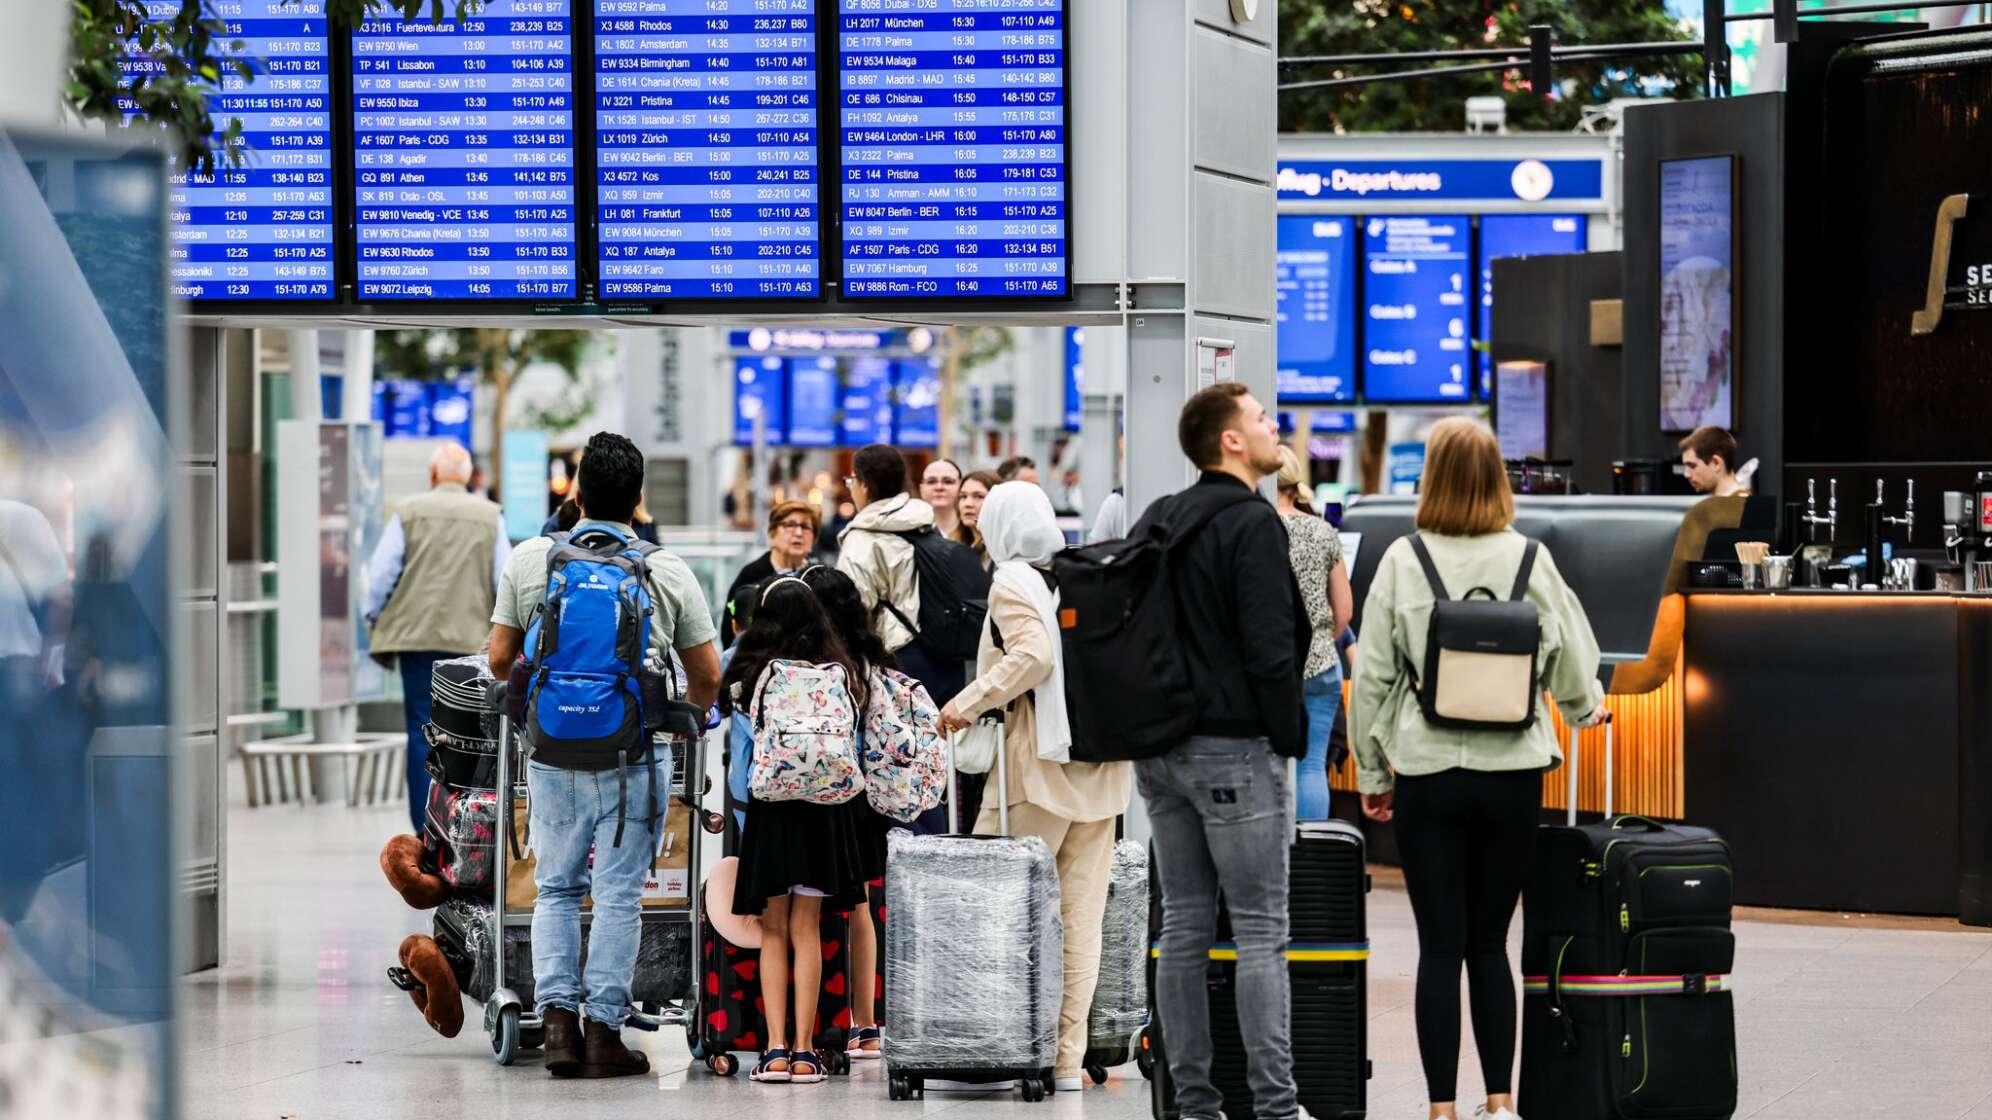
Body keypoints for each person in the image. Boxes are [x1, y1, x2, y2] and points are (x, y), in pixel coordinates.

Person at [1349, 417, 1607, 1120]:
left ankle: (1440, 1108)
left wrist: (1372, 771)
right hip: (1514, 773)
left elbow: (1371, 676)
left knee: (1440, 947)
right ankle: (1500, 1102)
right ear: (1498, 478)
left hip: (1428, 772)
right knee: (1492, 944)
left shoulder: (1403, 560)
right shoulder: (1530, 558)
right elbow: (1574, 662)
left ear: (1429, 479)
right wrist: (1587, 713)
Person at [486, 432, 722, 1080]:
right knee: (620, 896)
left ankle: (556, 1022)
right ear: (639, 499)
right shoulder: (665, 569)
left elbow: (500, 660)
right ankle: (604, 1033)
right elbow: (706, 672)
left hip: (553, 753)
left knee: (557, 888)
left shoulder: (533, 559)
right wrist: (687, 720)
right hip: (633, 757)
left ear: (575, 492)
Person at [1133, 382, 1310, 1120]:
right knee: (1262, 929)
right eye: (1262, 419)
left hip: (1160, 749)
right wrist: (1291, 735)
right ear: (1231, 440)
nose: (1276, 429)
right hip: (1234, 748)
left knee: (1183, 925)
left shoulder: (1161, 518)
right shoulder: (1251, 522)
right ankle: (1276, 1106)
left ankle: (1194, 1103)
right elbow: (1271, 648)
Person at [938, 482, 1129, 1093]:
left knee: (999, 910)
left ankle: (1003, 1045)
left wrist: (967, 702)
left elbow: (1035, 656)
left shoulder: (1011, 581)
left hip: (1037, 770)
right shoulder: (1084, 574)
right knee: (1081, 921)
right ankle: (1066, 1061)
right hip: (1102, 770)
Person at [723, 577, 872, 1085]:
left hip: (773, 806)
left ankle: (774, 1049)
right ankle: (808, 1051)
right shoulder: (840, 672)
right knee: (808, 929)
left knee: (773, 929)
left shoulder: (755, 671)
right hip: (824, 808)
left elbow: (741, 724)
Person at [364, 442, 512, 829]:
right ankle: (463, 826)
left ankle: (423, 827)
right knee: (468, 735)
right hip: (469, 643)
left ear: (432, 476)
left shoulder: (408, 512)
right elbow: (504, 578)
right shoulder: (489, 515)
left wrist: (372, 615)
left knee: (420, 731)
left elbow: (381, 575)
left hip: (418, 642)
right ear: (468, 480)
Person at [800, 565, 895, 1062]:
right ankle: (866, 1022)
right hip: (868, 797)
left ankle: (818, 1019)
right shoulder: (870, 659)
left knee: (809, 908)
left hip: (823, 794)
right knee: (860, 907)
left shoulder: (814, 663)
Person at [837, 444, 958, 699]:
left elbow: (853, 609)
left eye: (852, 480)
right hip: (938, 650)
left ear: (865, 485)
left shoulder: (862, 537)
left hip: (892, 655)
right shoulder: (924, 521)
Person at [1275, 447, 1352, 821]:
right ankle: (1311, 858)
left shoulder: (1253, 527)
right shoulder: (1323, 531)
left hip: (1270, 669)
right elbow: (1344, 611)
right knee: (1311, 766)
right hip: (1321, 666)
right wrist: (1321, 638)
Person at [723, 501, 823, 646]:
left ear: (814, 539)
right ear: (772, 533)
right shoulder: (751, 575)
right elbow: (730, 633)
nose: (799, 533)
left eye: (805, 527)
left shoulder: (819, 577)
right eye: (790, 525)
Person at [1678, 426, 1750, 497]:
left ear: (1716, 463)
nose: (1686, 474)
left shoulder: (1741, 506)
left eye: (1692, 466)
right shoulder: (1713, 505)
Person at [956, 469, 1000, 562]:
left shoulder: (1001, 554)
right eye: (963, 496)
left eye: (978, 496)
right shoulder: (955, 546)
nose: (967, 504)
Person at [921, 459, 965, 542]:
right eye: (931, 482)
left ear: (961, 487)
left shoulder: (974, 532)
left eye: (948, 481)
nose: (939, 487)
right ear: (921, 489)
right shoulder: (911, 532)